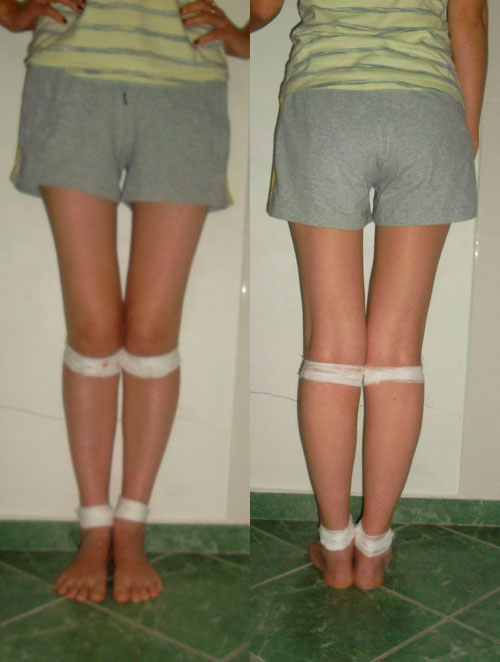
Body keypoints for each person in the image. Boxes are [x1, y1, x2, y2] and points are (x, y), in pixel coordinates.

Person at [2, 0, 249, 603]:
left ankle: (132, 523)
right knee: (92, 330)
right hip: (72, 79)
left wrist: (252, 33)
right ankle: (94, 524)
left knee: (151, 332)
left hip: (185, 85)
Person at [250, 0, 488, 589]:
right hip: (427, 106)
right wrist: (467, 130)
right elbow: (470, 20)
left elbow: (260, 9)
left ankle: (335, 549)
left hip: (326, 99)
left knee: (331, 345)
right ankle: (374, 548)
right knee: (398, 349)